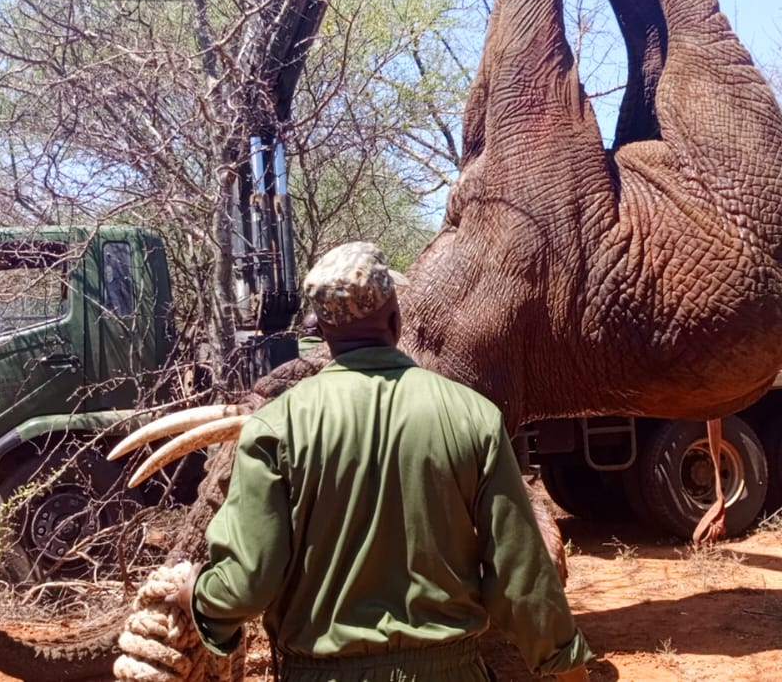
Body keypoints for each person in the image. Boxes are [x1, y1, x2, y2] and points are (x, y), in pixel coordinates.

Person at [174, 242, 591, 682]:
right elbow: (522, 574)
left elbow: (248, 581)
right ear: (395, 319)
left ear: (322, 331)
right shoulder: (473, 415)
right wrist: (568, 670)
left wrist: (198, 596)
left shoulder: (275, 427)